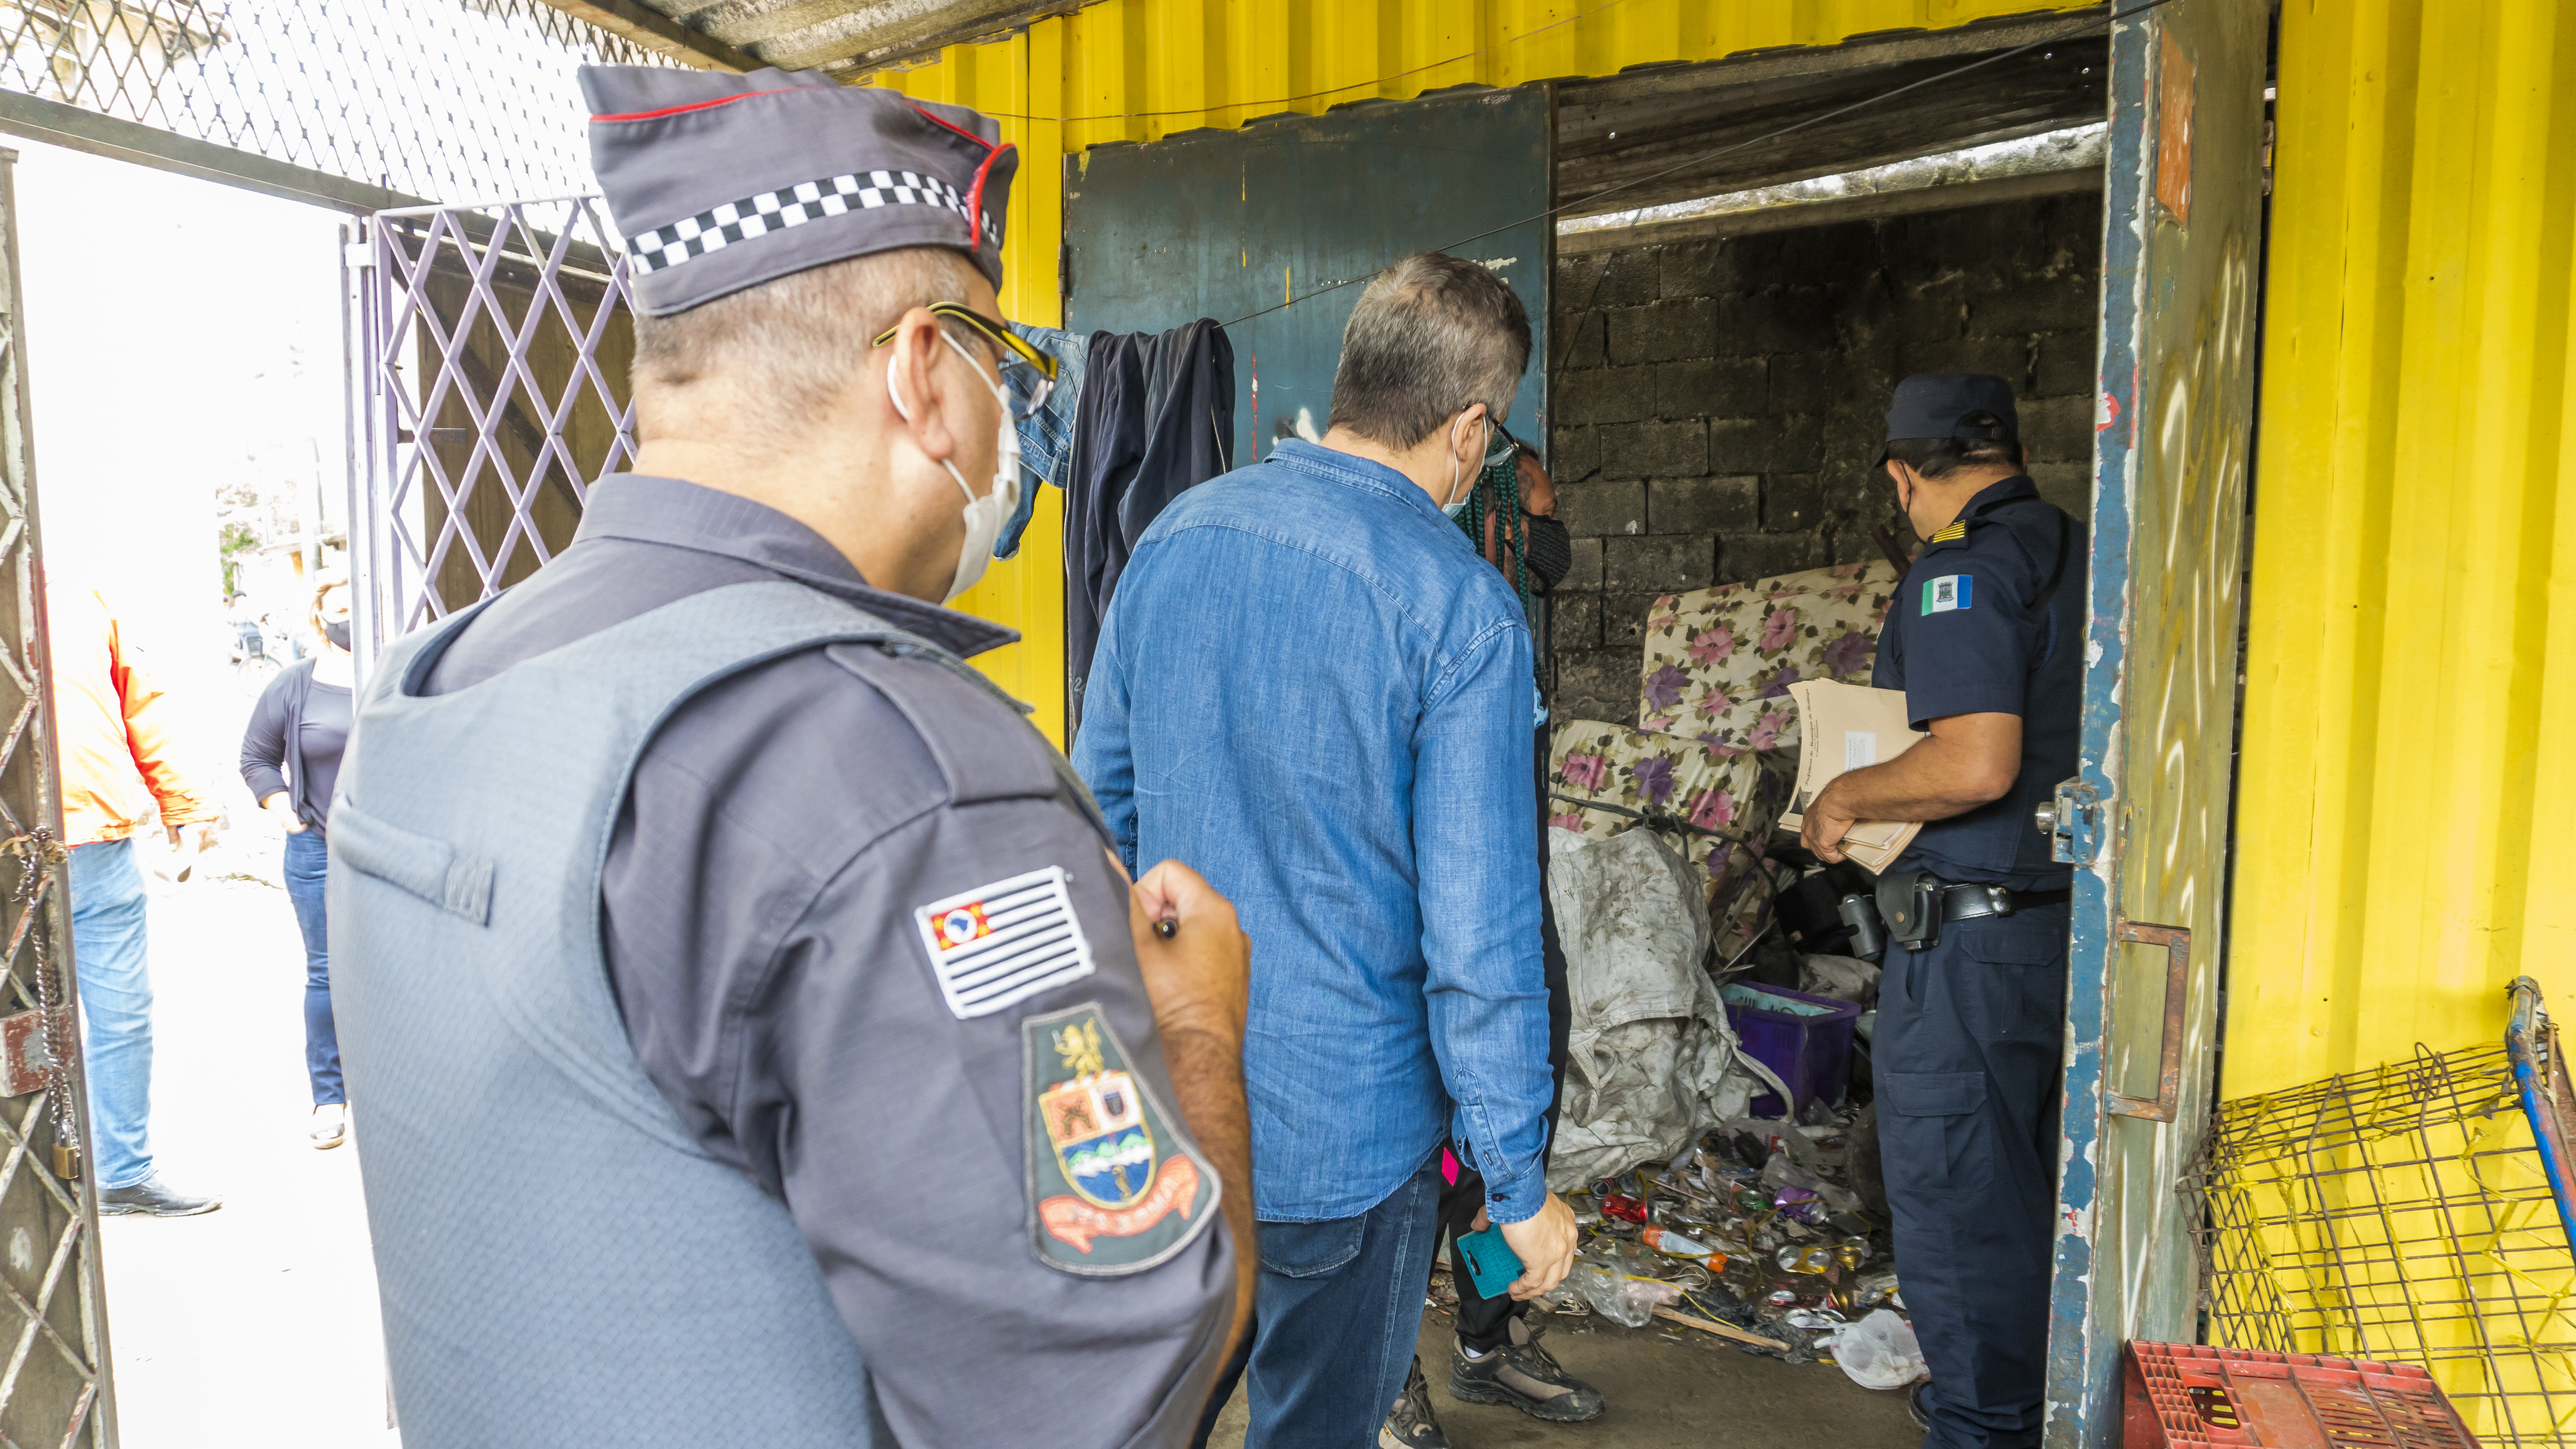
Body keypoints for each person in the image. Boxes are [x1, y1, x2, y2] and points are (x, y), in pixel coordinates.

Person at [329, 67, 1252, 1449]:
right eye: (1009, 372)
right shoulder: (903, 781)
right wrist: (1195, 1028)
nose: (1015, 427)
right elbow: (1111, 1394)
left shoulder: (448, 675)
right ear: (925, 373)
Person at [1074, 252, 1579, 1448]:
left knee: (1157, 1413)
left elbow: (1097, 824)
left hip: (1170, 1106)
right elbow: (1479, 933)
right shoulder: (1461, 612)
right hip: (1343, 1139)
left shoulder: (1173, 541)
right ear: (1468, 431)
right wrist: (1517, 1185)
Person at [1799, 373, 2082, 1449]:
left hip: (1966, 944)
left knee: (1961, 1204)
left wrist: (1846, 798)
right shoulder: (2073, 550)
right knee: (2031, 1190)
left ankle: (1982, 1423)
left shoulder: (1959, 569)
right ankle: (2018, 1402)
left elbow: (1974, 760)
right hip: (2057, 928)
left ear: (1903, 473)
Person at [1383, 437, 1604, 1449]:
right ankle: (1383, 1374)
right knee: (1421, 1162)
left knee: (1508, 1134)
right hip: (1427, 918)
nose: (1542, 545)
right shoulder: (1414, 599)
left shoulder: (1507, 635)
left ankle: (1484, 1336)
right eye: (1528, 520)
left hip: (1514, 912)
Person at [46, 584, 220, 1216]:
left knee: (123, 1016)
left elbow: (141, 706)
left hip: (99, 841)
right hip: (17, 848)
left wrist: (185, 804)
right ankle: (30, 1181)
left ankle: (122, 1174)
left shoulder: (76, 597)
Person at [239, 572, 355, 1149]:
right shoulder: (294, 685)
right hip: (316, 849)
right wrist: (285, 812)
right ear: (320, 619)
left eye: (361, 607)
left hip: (385, 849)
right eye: (341, 610)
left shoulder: (395, 677)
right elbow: (256, 757)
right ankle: (330, 1097)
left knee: (399, 966)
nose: (351, 618)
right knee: (327, 970)